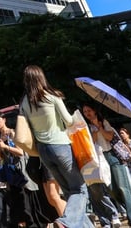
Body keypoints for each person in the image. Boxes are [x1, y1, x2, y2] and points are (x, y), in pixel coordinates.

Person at [19, 65, 93, 228]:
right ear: (41, 77)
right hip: (60, 146)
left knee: (68, 191)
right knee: (80, 189)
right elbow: (68, 121)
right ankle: (65, 221)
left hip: (43, 151)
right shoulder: (51, 96)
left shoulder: (25, 102)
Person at [83, 103, 131, 227]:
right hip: (100, 158)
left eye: (89, 110)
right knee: (111, 190)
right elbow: (91, 142)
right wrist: (94, 130)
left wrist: (100, 127)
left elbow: (109, 136)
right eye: (85, 112)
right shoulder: (86, 126)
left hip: (112, 156)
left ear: (95, 111)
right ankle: (127, 209)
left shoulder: (104, 122)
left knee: (124, 188)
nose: (87, 113)